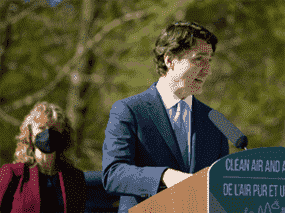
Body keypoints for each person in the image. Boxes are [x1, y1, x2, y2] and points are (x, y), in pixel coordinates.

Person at [102, 21, 229, 212]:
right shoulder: (128, 110)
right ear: (169, 60)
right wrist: (165, 176)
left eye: (209, 60)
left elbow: (220, 187)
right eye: (198, 59)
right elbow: (113, 174)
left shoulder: (214, 121)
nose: (207, 69)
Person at [0, 102, 87, 213]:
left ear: (63, 134)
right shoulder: (12, 174)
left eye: (53, 128)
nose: (48, 133)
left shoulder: (75, 178)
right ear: (30, 133)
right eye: (42, 128)